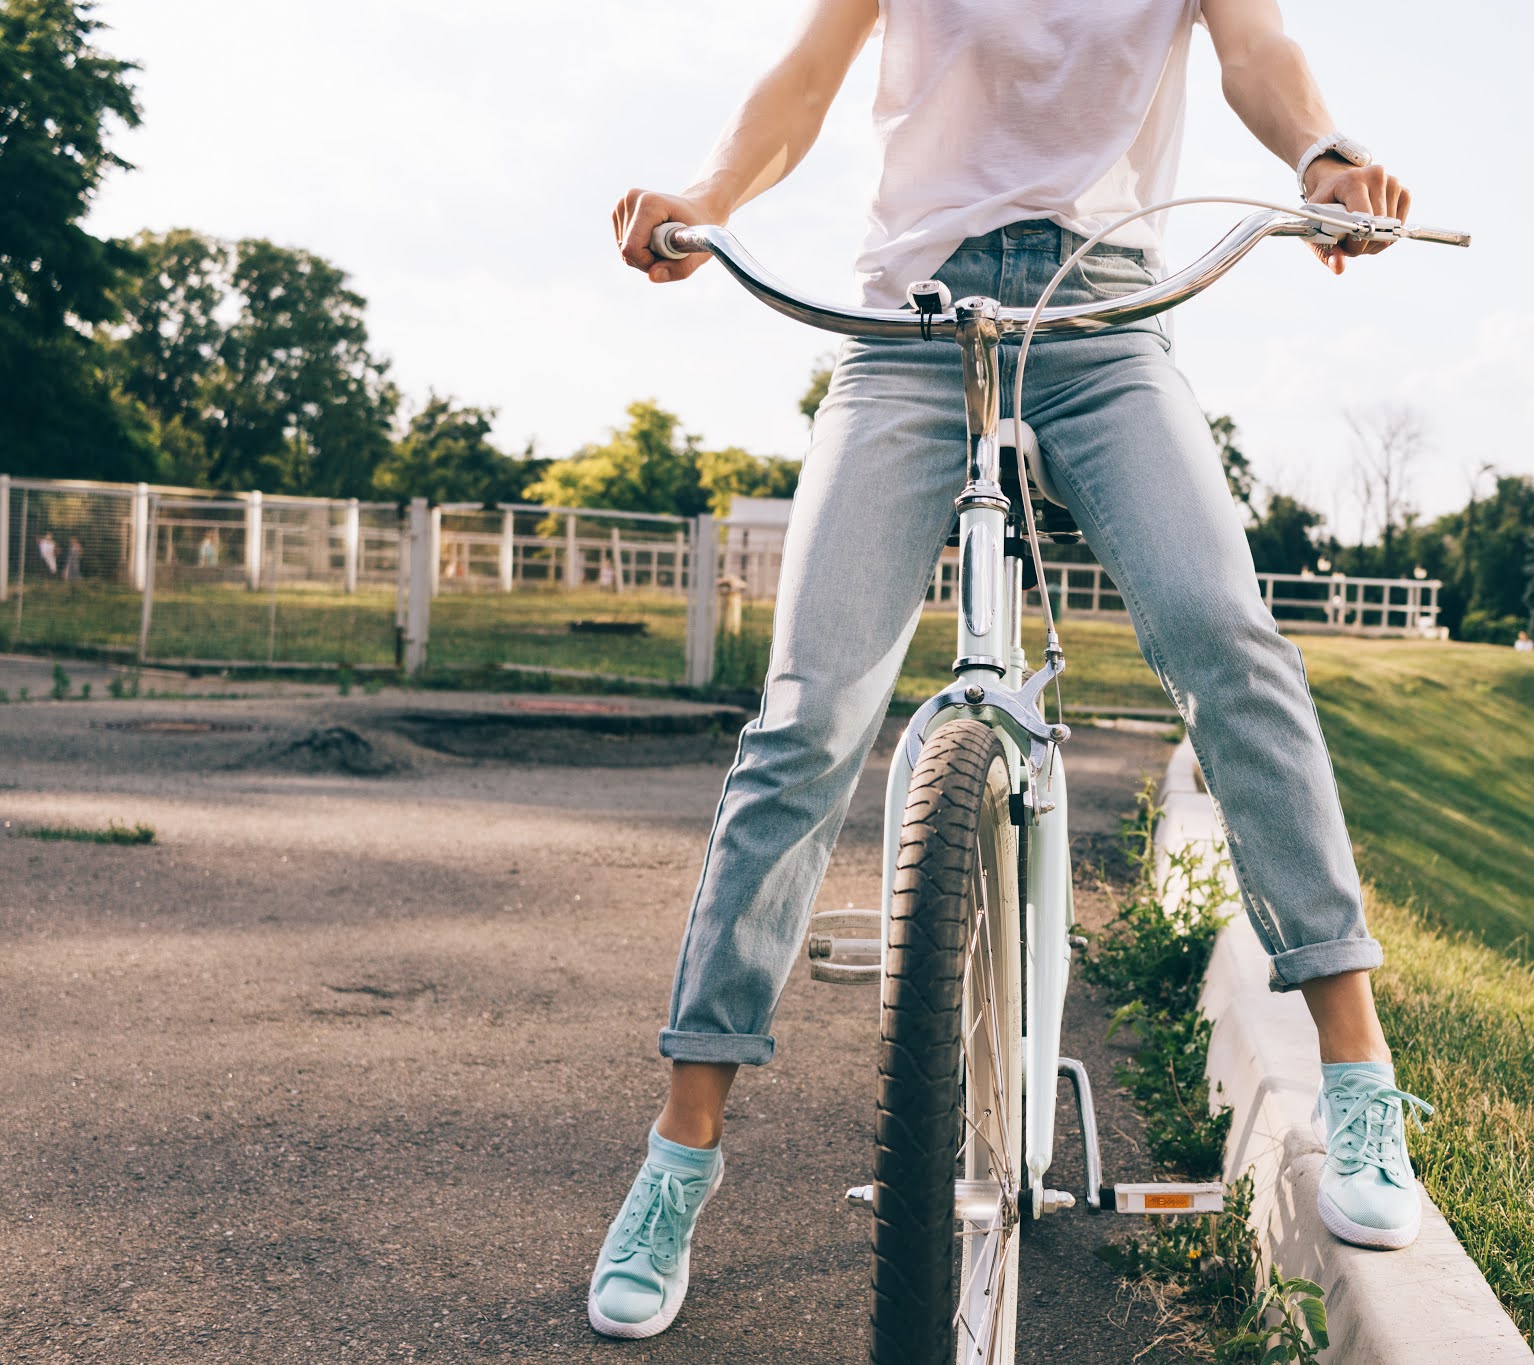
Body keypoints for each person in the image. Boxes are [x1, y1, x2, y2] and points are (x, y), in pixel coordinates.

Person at [593, 0, 1430, 1339]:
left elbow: (1256, 54)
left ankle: (1357, 1068)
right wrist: (707, 195)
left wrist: (1321, 155)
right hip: (907, 326)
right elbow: (808, 76)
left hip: (1105, 317)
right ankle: (680, 1153)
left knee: (1228, 635)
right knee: (805, 724)